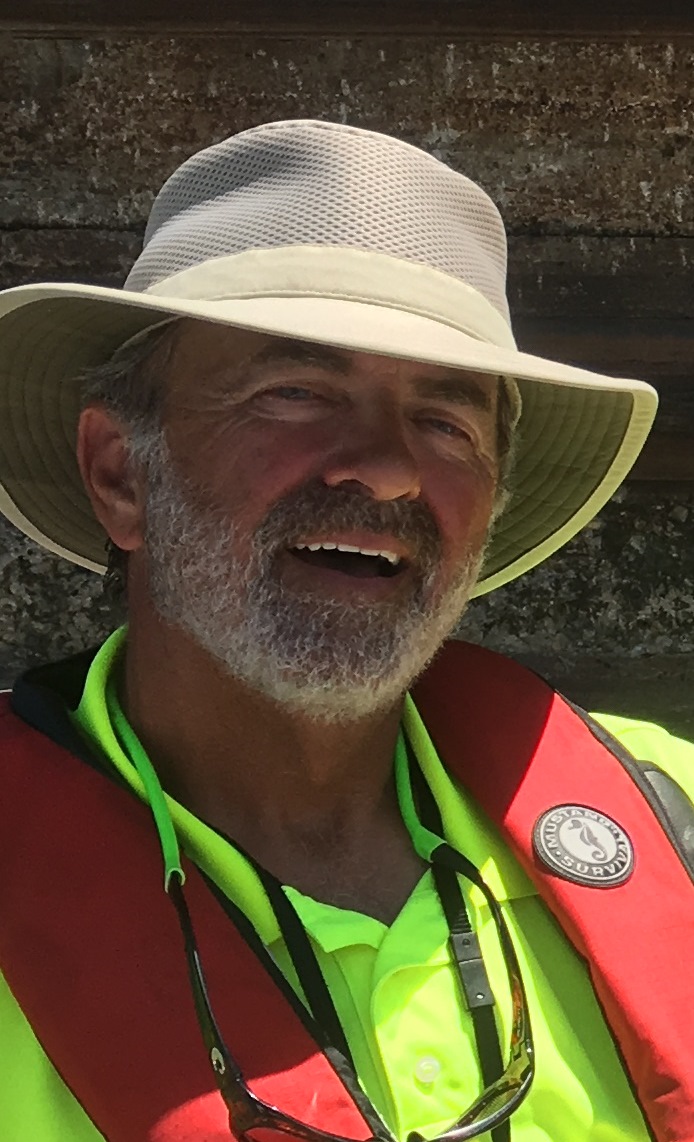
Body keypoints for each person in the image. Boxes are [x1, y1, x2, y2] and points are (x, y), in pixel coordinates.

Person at [0, 119, 692, 1142]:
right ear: (121, 474)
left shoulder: (669, 814)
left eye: (445, 419)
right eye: (297, 392)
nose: (386, 469)